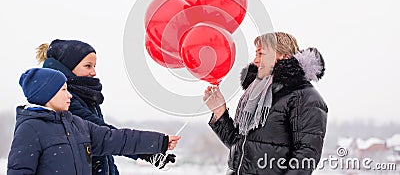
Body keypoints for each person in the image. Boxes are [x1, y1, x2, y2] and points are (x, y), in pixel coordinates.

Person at [35, 39, 177, 174]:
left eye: (94, 66)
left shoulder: (84, 96)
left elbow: (105, 149)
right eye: (88, 66)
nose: (94, 72)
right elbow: (105, 136)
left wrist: (148, 154)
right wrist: (150, 148)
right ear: (68, 67)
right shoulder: (65, 101)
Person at [7, 68, 180, 175]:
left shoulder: (77, 124)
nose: (69, 95)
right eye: (63, 90)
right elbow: (19, 171)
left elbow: (116, 138)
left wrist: (160, 141)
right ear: (47, 94)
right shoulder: (30, 128)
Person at [203, 32, 328, 174]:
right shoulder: (257, 94)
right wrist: (220, 112)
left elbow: (306, 155)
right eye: (256, 54)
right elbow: (239, 144)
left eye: (261, 54)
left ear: (283, 55)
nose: (255, 60)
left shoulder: (304, 97)